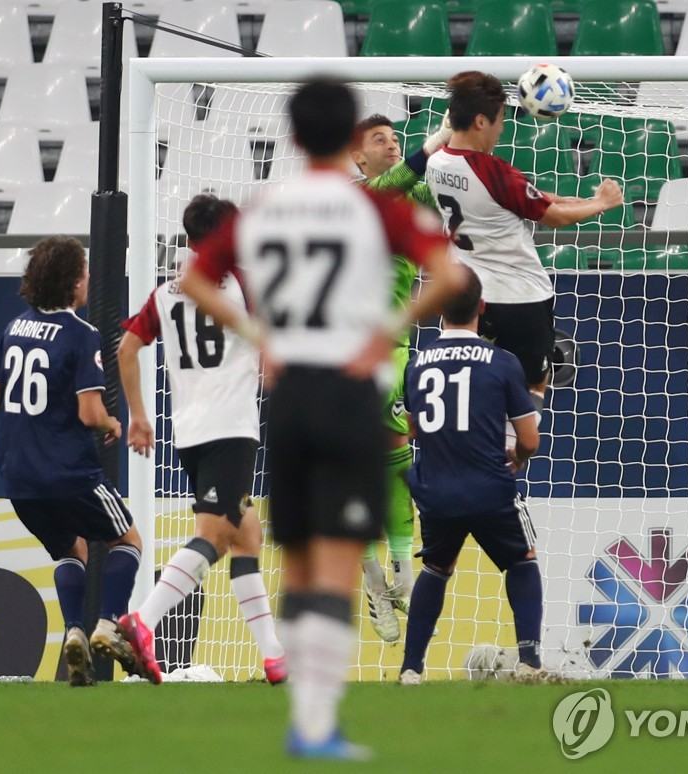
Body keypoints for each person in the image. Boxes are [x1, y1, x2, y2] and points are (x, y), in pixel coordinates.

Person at [177, 79, 464, 760]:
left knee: (299, 561)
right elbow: (450, 280)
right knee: (337, 562)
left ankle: (305, 722)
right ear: (350, 140)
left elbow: (193, 280)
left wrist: (262, 333)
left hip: (291, 395)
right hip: (351, 389)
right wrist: (387, 326)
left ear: (297, 138)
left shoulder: (267, 208)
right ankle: (317, 727)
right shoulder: (374, 210)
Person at [116, 194, 286, 686]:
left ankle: (275, 658)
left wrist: (138, 416)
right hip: (230, 429)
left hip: (188, 432)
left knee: (246, 534)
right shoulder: (243, 284)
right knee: (214, 534)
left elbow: (126, 350)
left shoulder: (166, 292)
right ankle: (143, 621)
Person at [0, 236, 143, 687]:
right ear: (73, 283)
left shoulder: (14, 328)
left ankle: (73, 632)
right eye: (85, 272)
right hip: (68, 472)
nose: (89, 279)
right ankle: (107, 625)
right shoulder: (81, 334)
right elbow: (90, 412)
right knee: (127, 541)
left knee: (70, 549)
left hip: (18, 476)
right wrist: (112, 422)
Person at [425, 71, 625, 414]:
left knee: (470, 381)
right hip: (519, 295)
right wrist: (602, 204)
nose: (502, 130)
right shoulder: (492, 171)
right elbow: (552, 217)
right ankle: (515, 449)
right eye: (500, 120)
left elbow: (526, 196)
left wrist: (576, 200)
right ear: (480, 121)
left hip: (467, 292)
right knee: (532, 382)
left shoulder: (437, 161)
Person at [399, 265, 545, 684]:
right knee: (522, 561)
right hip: (488, 487)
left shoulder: (418, 364)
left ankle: (412, 668)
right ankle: (529, 662)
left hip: (436, 491)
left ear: (439, 308)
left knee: (436, 568)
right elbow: (529, 439)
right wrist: (518, 456)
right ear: (483, 306)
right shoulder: (502, 362)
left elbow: (411, 427)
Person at [350, 113, 450, 642]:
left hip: (397, 345)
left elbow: (450, 227)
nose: (392, 146)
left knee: (395, 462)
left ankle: (401, 580)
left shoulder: (412, 197)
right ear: (358, 157)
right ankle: (374, 583)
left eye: (396, 139)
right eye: (379, 140)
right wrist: (438, 140)